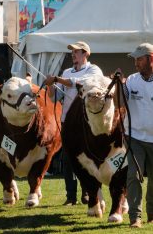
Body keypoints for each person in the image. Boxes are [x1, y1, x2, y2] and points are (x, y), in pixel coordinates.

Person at [45, 41, 103, 205]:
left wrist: (57, 78)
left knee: (87, 159)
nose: (72, 54)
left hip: (87, 122)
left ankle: (88, 193)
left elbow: (78, 83)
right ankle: (71, 196)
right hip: (67, 123)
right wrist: (51, 85)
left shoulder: (94, 70)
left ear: (85, 54)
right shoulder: (67, 71)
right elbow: (53, 96)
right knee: (69, 160)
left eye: (76, 52)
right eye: (72, 52)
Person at [124, 43, 153, 228]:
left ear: (151, 59)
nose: (136, 63)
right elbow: (120, 102)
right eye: (134, 59)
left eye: (139, 59)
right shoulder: (131, 80)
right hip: (134, 138)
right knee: (133, 175)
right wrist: (118, 84)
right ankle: (135, 217)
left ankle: (151, 214)